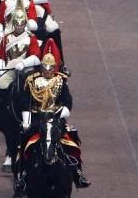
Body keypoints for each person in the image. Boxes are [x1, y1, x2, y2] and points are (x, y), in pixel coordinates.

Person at [16, 39, 90, 189]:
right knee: (23, 142)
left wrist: (60, 113)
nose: (48, 70)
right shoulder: (32, 81)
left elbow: (68, 102)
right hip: (37, 119)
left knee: (71, 140)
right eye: (45, 67)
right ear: (42, 67)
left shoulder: (60, 81)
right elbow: (26, 102)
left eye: (51, 67)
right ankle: (21, 175)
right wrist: (26, 121)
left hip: (55, 119)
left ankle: (78, 174)